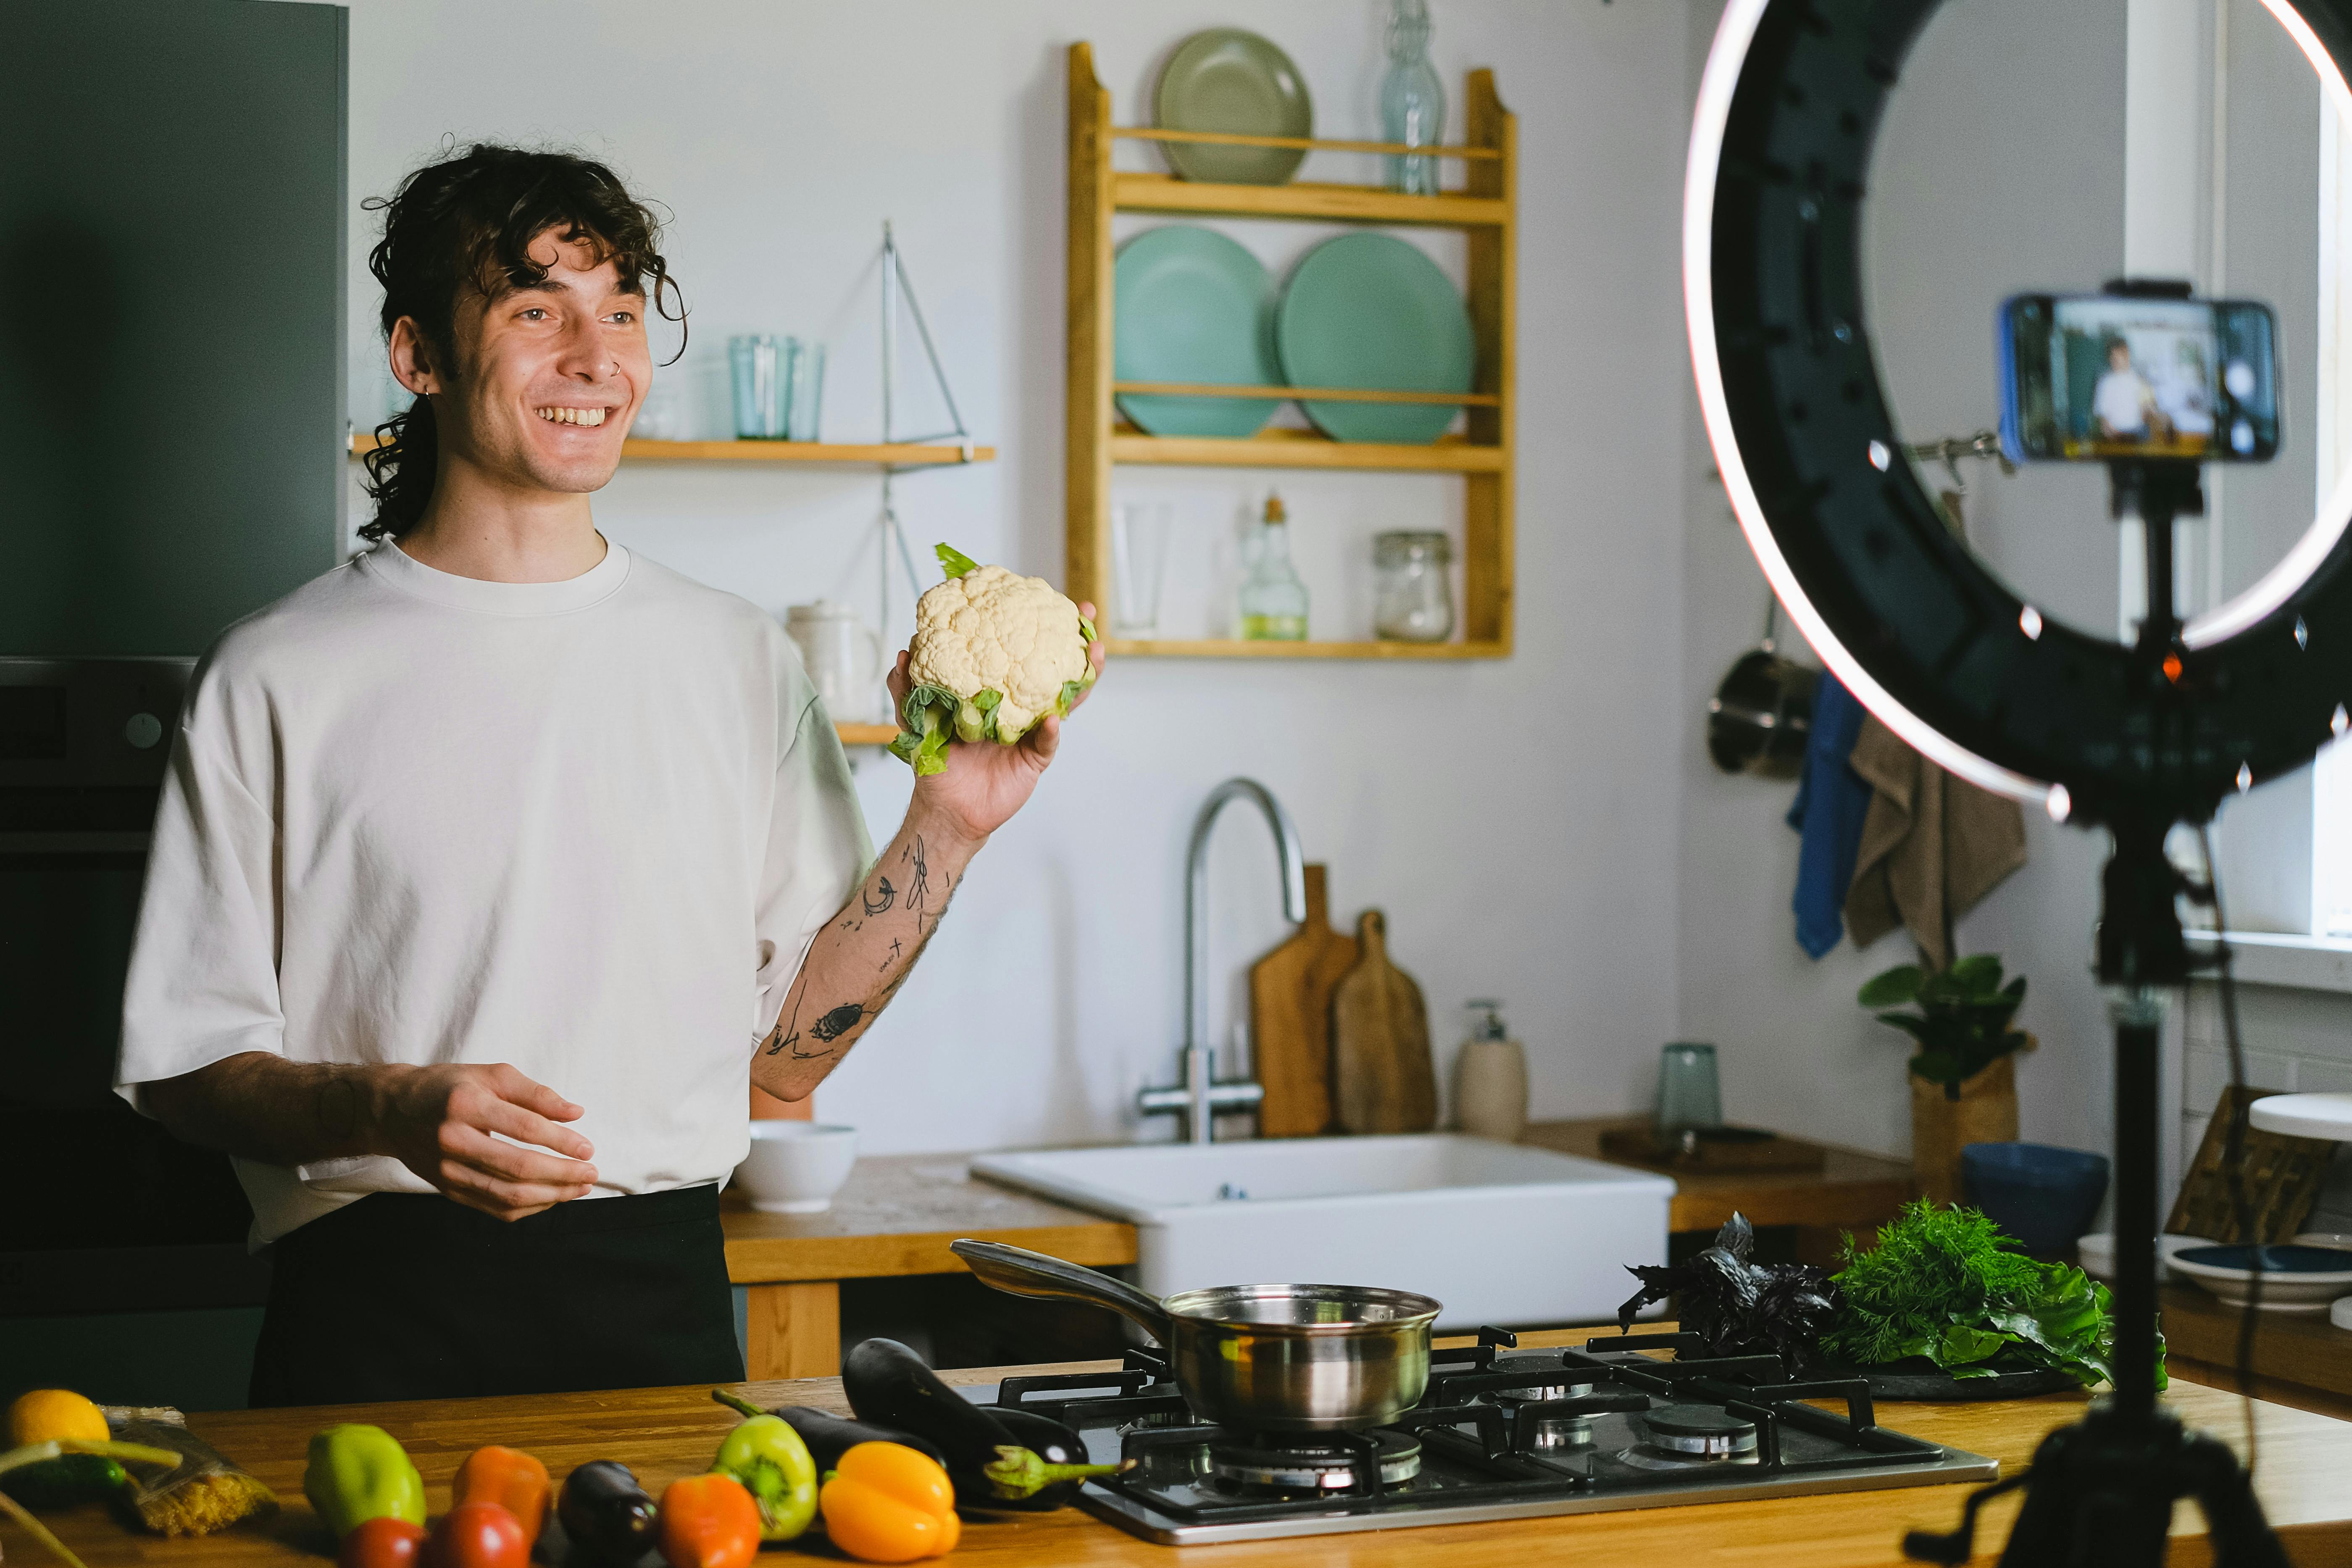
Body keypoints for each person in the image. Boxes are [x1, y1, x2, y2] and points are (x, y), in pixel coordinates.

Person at [113, 145, 1103, 1406]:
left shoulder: (739, 656)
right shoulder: (276, 670)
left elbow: (783, 1063)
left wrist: (950, 824)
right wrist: (390, 1102)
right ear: (418, 355)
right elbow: (188, 1070)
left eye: (620, 313)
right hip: (371, 1314)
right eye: (537, 311)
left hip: (664, 1313)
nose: (597, 360)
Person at [2091, 336, 2157, 444]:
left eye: (2118, 357)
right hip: (2114, 435)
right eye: (2112, 357)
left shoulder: (2140, 380)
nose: (2115, 360)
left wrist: (2148, 411)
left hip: (2138, 434)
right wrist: (2109, 431)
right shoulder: (2104, 383)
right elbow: (2102, 413)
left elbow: (2149, 409)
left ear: (2127, 355)